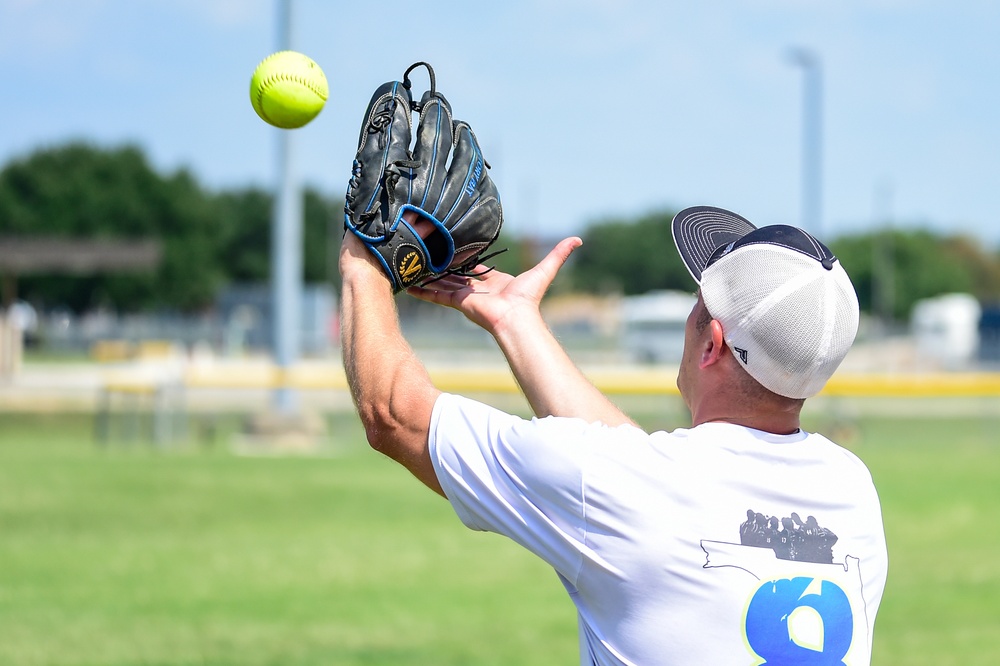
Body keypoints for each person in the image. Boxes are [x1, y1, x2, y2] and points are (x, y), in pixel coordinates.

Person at [339, 205, 888, 665]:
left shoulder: (630, 488)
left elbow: (393, 413)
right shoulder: (852, 494)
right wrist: (515, 322)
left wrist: (362, 257)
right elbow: (639, 479)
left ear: (711, 343)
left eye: (698, 303)